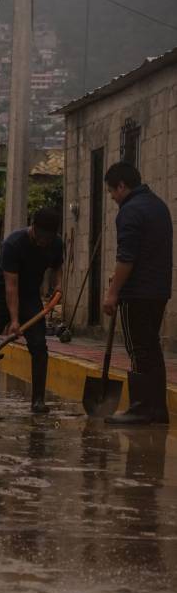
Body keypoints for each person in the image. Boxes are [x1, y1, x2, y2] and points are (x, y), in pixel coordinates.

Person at [102, 162, 172, 426]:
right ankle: (157, 410)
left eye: (112, 191)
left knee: (139, 351)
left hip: (137, 293)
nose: (111, 197)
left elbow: (127, 257)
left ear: (122, 186)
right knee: (151, 348)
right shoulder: (158, 206)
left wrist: (112, 292)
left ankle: (140, 408)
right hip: (158, 291)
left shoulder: (129, 211)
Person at [0, 207, 63, 414]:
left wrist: (59, 286)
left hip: (30, 295)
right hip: (0, 293)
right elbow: (11, 286)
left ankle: (38, 400)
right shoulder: (14, 244)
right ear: (33, 228)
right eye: (41, 237)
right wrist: (14, 320)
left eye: (48, 238)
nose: (44, 242)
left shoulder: (56, 243)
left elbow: (57, 266)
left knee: (39, 346)